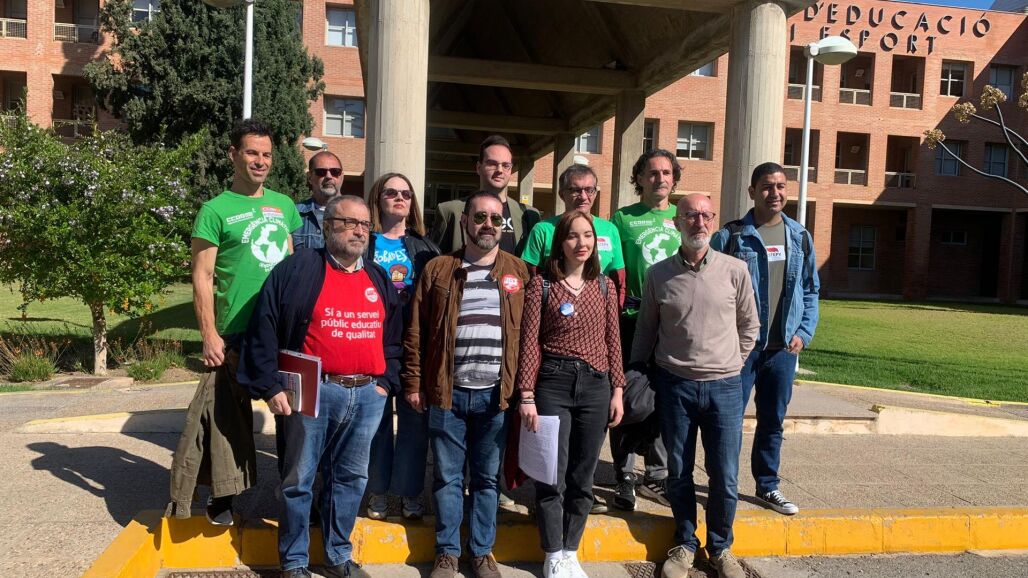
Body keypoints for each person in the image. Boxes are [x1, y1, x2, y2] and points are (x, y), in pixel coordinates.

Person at [238, 195, 403, 578]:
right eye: (349, 222)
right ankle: (294, 561)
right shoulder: (297, 269)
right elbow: (264, 327)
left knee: (351, 479)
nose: (359, 231)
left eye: (365, 224)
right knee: (299, 479)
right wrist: (271, 386)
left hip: (367, 395)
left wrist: (385, 382)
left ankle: (338, 555)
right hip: (313, 392)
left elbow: (394, 336)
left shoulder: (377, 277)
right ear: (327, 227)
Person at [168, 119, 301, 526]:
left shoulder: (285, 206)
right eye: (252, 153)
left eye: (266, 154)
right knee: (226, 416)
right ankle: (224, 493)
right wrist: (209, 333)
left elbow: (291, 266)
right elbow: (202, 277)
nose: (260, 161)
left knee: (292, 414)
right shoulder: (215, 210)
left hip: (281, 328)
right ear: (233, 155)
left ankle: (294, 494)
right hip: (235, 330)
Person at [631, 194, 759, 578]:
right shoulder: (658, 274)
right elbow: (646, 331)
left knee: (725, 474)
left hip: (725, 387)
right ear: (677, 223)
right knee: (678, 471)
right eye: (690, 215)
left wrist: (731, 363)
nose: (698, 222)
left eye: (705, 215)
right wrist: (635, 371)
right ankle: (686, 543)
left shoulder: (735, 270)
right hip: (675, 387)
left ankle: (720, 547)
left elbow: (750, 325)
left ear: (713, 221)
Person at [404, 191, 530, 578]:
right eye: (479, 217)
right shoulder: (439, 269)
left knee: (487, 479)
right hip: (448, 393)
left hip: (497, 396)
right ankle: (447, 552)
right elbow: (416, 331)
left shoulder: (520, 272)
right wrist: (414, 382)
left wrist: (526, 390)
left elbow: (530, 338)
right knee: (447, 477)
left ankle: (481, 552)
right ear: (464, 222)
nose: (488, 225)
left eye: (495, 218)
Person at [516, 211, 625, 578]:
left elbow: (613, 341)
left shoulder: (604, 286)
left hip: (596, 386)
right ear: (560, 243)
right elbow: (529, 342)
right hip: (553, 383)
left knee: (583, 475)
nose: (582, 243)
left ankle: (570, 550)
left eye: (588, 236)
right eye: (573, 236)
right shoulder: (542, 285)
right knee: (552, 474)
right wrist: (527, 394)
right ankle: (552, 552)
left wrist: (618, 390)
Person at [710, 162, 820, 517]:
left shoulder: (799, 237)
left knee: (772, 420)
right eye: (767, 186)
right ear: (752, 192)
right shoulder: (731, 236)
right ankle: (723, 486)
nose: (775, 193)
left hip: (782, 350)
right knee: (728, 422)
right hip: (739, 350)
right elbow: (710, 287)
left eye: (781, 186)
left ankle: (767, 485)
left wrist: (804, 331)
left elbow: (811, 290)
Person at [607, 149, 682, 511]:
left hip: (671, 323)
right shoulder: (623, 219)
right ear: (639, 178)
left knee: (664, 398)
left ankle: (656, 474)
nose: (660, 178)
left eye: (666, 172)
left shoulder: (682, 216)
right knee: (624, 395)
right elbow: (612, 270)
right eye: (652, 173)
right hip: (631, 319)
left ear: (674, 178)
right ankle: (624, 474)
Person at [363, 172, 440, 521]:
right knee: (375, 425)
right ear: (378, 199)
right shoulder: (364, 243)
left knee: (414, 424)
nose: (399, 198)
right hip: (372, 345)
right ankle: (377, 491)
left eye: (406, 194)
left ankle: (409, 493)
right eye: (391, 192)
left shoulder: (426, 248)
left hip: (413, 348)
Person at [520, 164, 626, 305]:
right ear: (561, 194)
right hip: (554, 312)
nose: (583, 197)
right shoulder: (543, 230)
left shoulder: (610, 229)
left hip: (597, 311)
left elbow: (619, 282)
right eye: (575, 190)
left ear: (595, 193)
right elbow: (529, 278)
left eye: (589, 190)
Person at [430, 135, 540, 256]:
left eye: (506, 165)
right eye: (492, 164)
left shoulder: (529, 215)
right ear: (478, 167)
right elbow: (435, 260)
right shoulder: (451, 212)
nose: (500, 170)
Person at [292, 151, 345, 250]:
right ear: (310, 177)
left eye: (335, 172)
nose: (329, 176)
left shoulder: (357, 214)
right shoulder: (294, 214)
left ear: (342, 176)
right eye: (321, 172)